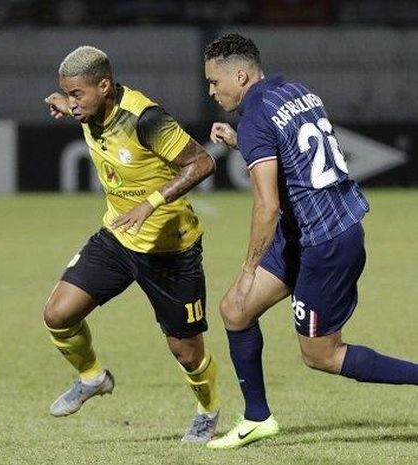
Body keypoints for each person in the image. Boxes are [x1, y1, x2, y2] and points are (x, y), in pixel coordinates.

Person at [203, 32, 418, 449]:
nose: (211, 91)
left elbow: (266, 207)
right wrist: (241, 142)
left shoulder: (254, 118)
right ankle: (257, 418)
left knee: (320, 355)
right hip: (313, 231)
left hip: (325, 243)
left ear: (241, 75)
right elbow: (297, 158)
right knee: (235, 310)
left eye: (215, 82)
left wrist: (249, 269)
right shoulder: (294, 91)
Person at [43, 45, 220, 443]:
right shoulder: (91, 110)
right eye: (66, 95)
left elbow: (203, 163)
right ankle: (93, 378)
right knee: (58, 314)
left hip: (171, 250)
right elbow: (87, 115)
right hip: (119, 238)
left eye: (76, 95)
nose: (72, 104)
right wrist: (66, 103)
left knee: (187, 353)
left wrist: (151, 203)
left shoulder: (146, 119)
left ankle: (208, 412)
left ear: (104, 86)